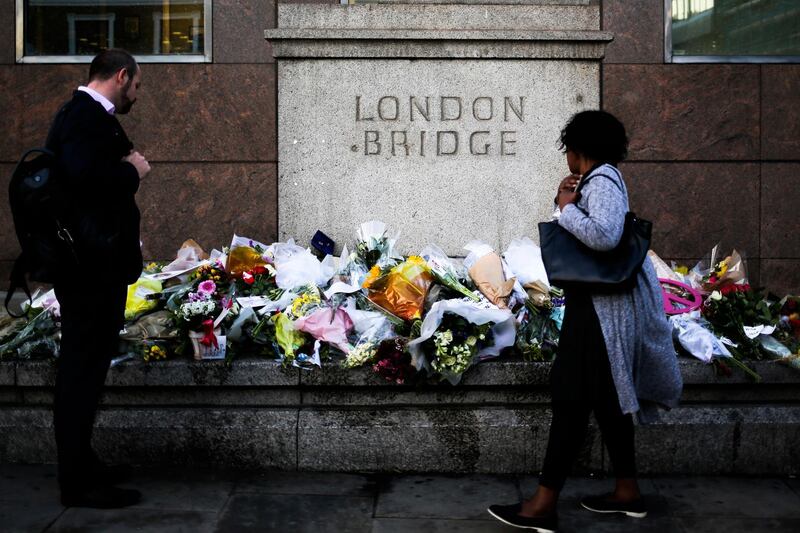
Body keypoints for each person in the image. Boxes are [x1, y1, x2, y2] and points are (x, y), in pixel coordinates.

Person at [488, 110, 682, 532]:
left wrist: (564, 209)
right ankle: (627, 491)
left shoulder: (604, 179)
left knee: (570, 399)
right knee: (607, 400)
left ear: (580, 150)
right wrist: (567, 205)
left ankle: (542, 505)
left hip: (599, 313)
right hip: (595, 307)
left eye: (569, 151)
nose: (567, 158)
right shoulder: (599, 180)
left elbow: (606, 235)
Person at [48, 48, 150, 508]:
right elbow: (85, 179)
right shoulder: (84, 116)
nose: (136, 94)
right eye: (136, 85)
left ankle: (83, 463)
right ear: (122, 76)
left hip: (94, 267)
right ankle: (77, 482)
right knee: (80, 372)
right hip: (89, 270)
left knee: (85, 371)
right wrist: (132, 170)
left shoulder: (86, 116)